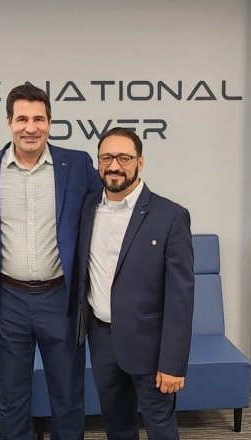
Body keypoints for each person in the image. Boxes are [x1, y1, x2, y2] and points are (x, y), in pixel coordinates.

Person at [0, 83, 101, 439]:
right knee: (11, 397)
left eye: (38, 118)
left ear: (50, 122)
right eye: (22, 118)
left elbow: (107, 211)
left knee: (69, 395)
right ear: (8, 122)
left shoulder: (78, 164)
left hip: (61, 298)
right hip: (6, 300)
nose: (31, 127)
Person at [77, 127, 194, 440]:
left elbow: (181, 298)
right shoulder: (86, 209)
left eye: (124, 158)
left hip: (151, 348)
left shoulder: (170, 216)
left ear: (140, 162)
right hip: (101, 340)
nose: (114, 166)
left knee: (160, 427)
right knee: (116, 425)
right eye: (106, 158)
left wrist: (173, 364)